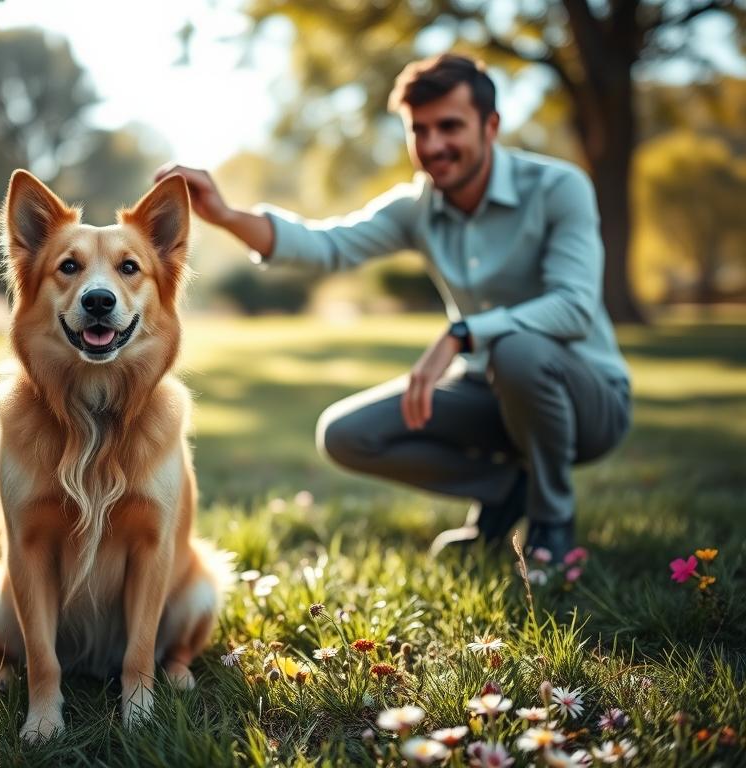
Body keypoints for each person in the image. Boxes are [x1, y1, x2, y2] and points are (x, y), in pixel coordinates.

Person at [155, 53, 631, 560]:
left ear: (491, 126)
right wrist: (226, 215)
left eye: (450, 127)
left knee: (517, 352)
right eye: (418, 130)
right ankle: (506, 490)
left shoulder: (559, 188)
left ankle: (551, 522)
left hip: (587, 401)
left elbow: (575, 306)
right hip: (489, 392)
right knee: (347, 435)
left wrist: (462, 334)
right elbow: (327, 245)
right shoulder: (417, 209)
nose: (432, 146)